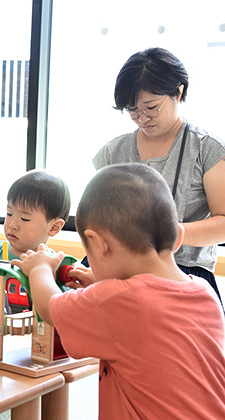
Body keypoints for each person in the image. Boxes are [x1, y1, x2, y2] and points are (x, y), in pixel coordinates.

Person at [12, 163, 225, 419]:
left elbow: (49, 308)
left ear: (99, 245)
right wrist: (102, 285)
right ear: (177, 237)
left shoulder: (117, 301)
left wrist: (39, 269)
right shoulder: (203, 292)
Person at [93, 47, 225, 303]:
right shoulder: (113, 151)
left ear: (179, 91)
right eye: (132, 110)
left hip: (185, 272)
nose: (142, 118)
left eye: (151, 107)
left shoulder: (207, 149)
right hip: (121, 269)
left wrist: (173, 233)